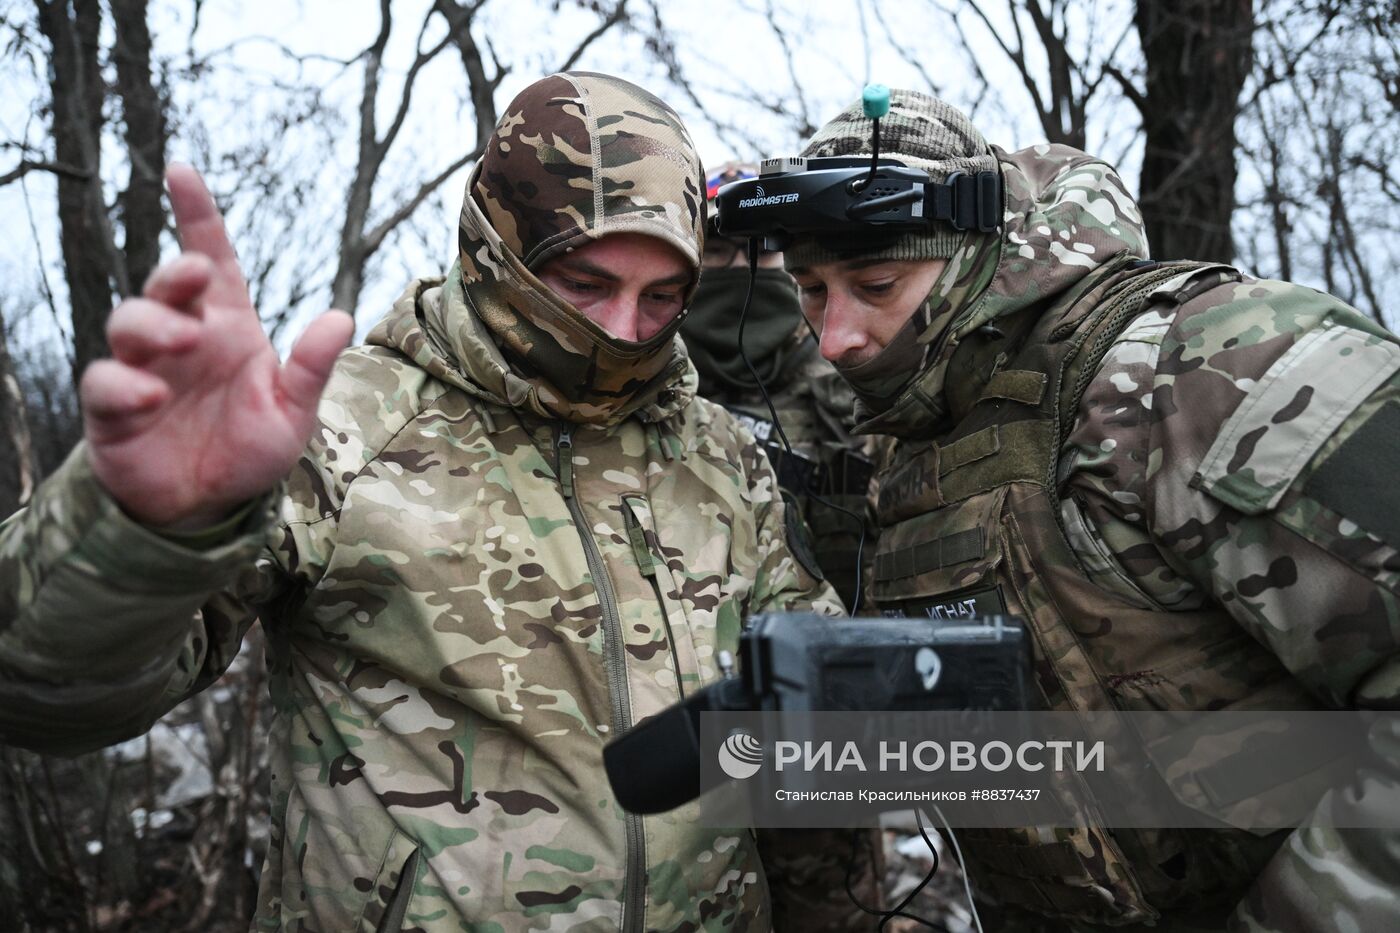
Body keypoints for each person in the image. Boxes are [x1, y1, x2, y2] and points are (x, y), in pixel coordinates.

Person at [0, 71, 843, 932]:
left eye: (662, 297)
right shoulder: (343, 426)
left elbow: (811, 740)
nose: (624, 331)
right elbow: (41, 688)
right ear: (494, 253)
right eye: (585, 284)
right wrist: (142, 528)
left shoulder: (722, 457)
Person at [740, 89, 1400, 931]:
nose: (835, 337)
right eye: (809, 288)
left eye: (875, 283)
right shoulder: (908, 446)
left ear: (975, 252)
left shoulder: (1202, 368)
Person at [682, 162, 879, 612]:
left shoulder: (853, 377)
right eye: (715, 252)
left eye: (762, 251)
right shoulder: (653, 387)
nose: (741, 270)